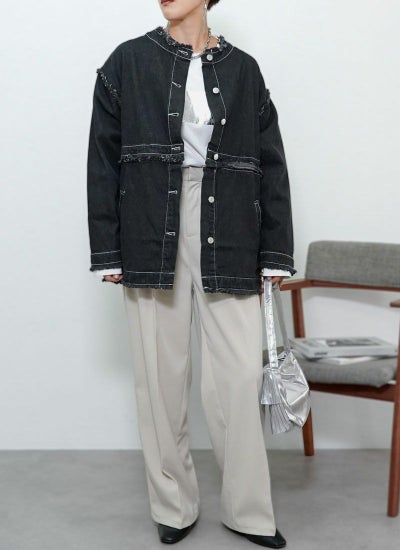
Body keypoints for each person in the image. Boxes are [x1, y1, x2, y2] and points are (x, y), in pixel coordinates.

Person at [87, 0, 297, 546]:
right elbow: (103, 160)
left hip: (231, 219)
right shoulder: (127, 61)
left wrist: (275, 251)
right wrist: (109, 250)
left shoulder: (244, 69)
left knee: (238, 377)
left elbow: (271, 163)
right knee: (159, 375)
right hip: (150, 219)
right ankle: (173, 507)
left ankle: (249, 512)